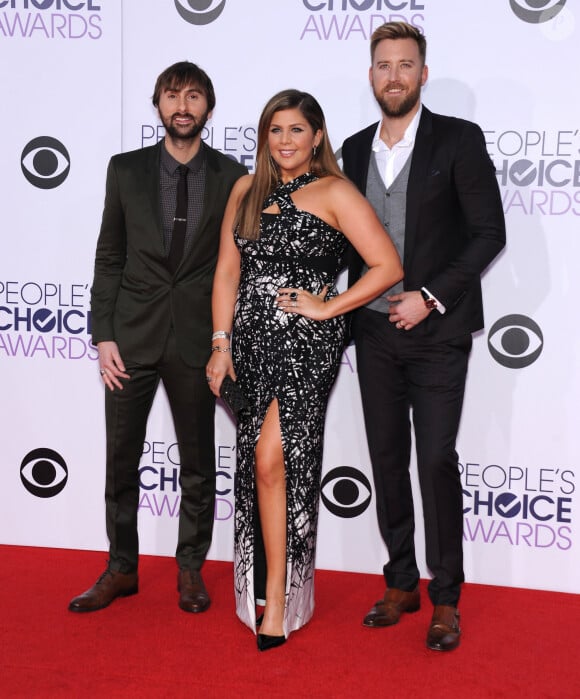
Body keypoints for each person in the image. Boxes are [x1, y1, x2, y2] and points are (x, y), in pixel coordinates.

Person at [206, 89, 403, 651]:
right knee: (260, 468)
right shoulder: (246, 188)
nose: (285, 141)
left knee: (274, 457)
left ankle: (281, 598)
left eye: (297, 130)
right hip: (248, 342)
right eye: (275, 130)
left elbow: (387, 265)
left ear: (318, 136)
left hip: (304, 345)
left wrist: (327, 307)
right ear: (265, 137)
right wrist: (220, 344)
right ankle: (268, 592)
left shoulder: (335, 191)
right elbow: (227, 271)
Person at [342, 22, 506, 651]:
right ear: (371, 75)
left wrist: (430, 296)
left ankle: (445, 597)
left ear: (423, 74)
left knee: (435, 459)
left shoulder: (459, 141)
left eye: (405, 65)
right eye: (383, 65)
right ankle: (401, 580)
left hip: (438, 334)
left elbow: (488, 233)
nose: (393, 76)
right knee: (386, 456)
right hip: (374, 336)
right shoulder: (353, 150)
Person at [68, 61, 247, 614]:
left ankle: (190, 570)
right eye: (173, 96)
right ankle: (121, 568)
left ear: (208, 110)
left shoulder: (232, 176)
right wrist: (103, 335)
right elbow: (109, 255)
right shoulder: (125, 171)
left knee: (197, 463)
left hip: (198, 338)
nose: (183, 106)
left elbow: (235, 263)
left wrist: (226, 337)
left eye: (194, 97)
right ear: (158, 106)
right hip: (131, 337)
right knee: (121, 460)